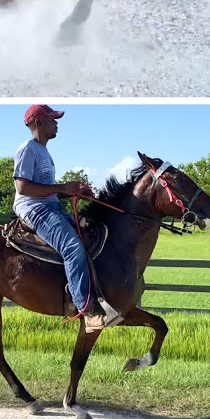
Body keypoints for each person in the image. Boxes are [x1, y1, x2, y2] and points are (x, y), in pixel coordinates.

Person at [12, 104, 124, 333]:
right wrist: (63, 187)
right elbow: (22, 187)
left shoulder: (43, 151)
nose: (56, 123)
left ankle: (93, 296)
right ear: (38, 122)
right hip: (34, 209)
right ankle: (87, 311)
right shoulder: (28, 149)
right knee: (72, 247)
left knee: (89, 235)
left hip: (49, 206)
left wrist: (73, 191)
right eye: (52, 119)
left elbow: (45, 189)